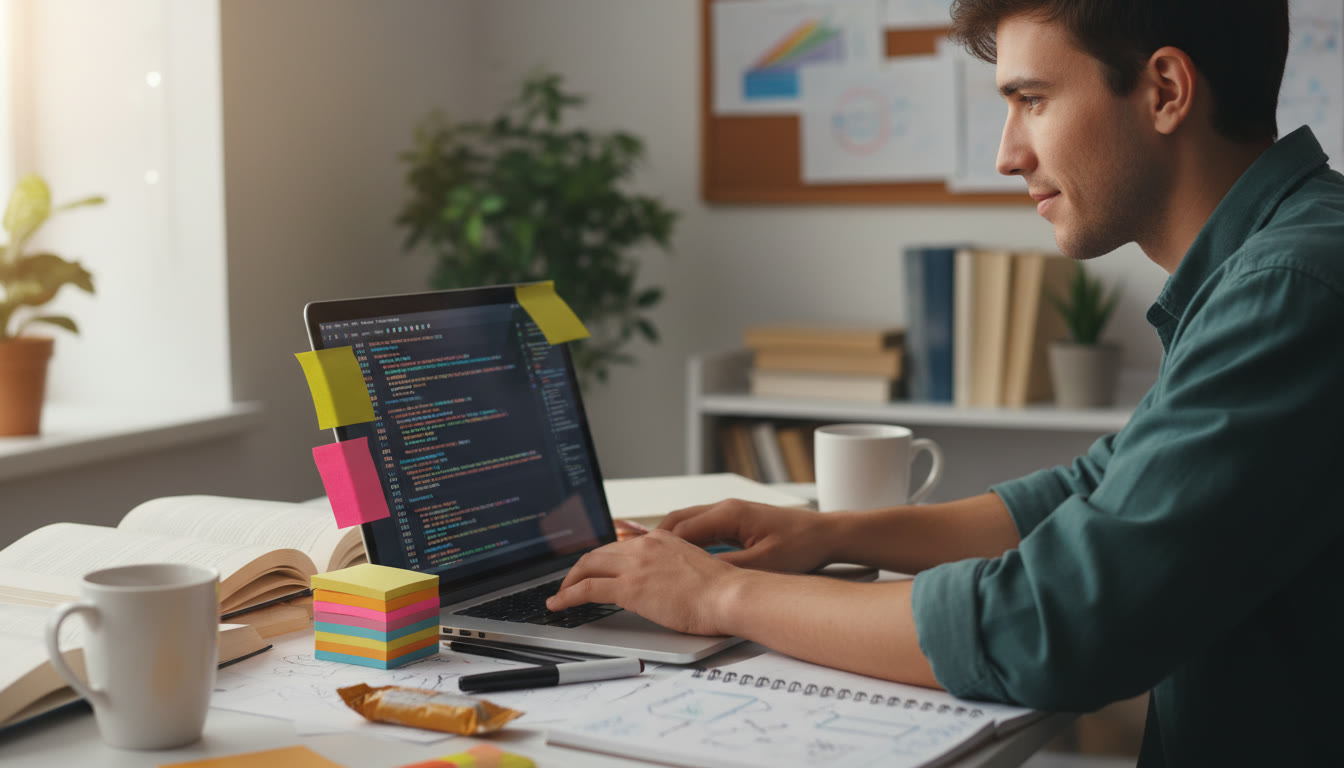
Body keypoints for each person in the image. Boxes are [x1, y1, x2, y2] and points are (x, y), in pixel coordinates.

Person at [547, 1, 1344, 764]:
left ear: (1165, 90)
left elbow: (1054, 623)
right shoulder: (1275, 261)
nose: (1008, 153)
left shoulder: (1294, 286)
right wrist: (832, 533)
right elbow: (1094, 492)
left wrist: (715, 598)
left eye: (1032, 99)